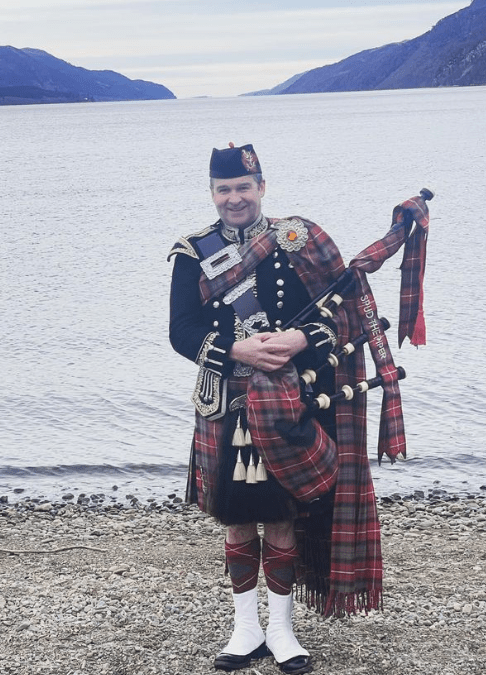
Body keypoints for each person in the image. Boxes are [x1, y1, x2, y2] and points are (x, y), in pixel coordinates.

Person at [168, 143, 414, 674]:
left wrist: (302, 339)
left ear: (261, 188)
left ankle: (281, 630)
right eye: (223, 189)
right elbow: (180, 331)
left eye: (243, 187)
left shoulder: (297, 241)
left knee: (282, 516)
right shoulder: (193, 253)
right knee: (235, 520)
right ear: (212, 193)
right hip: (227, 402)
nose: (234, 198)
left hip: (288, 404)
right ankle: (244, 628)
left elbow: (339, 320)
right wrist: (237, 349)